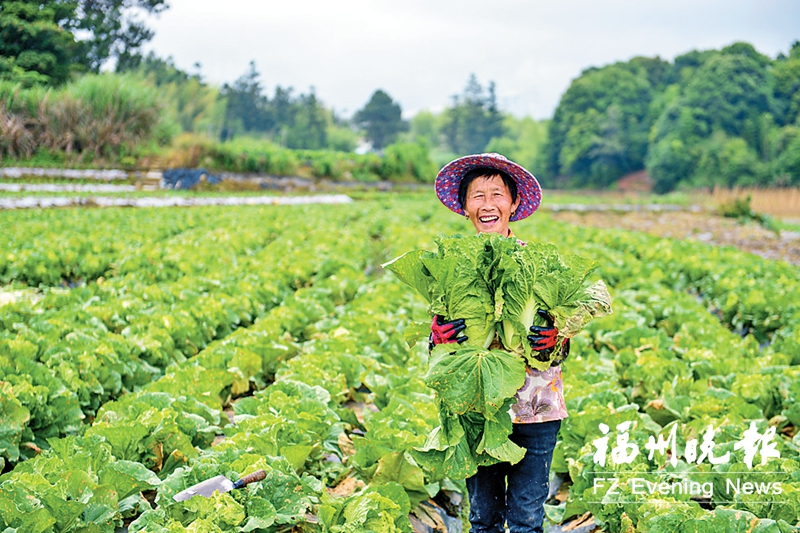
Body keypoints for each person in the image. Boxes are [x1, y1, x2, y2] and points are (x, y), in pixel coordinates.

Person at [429, 153, 569, 533]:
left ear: (514, 203)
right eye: (477, 196)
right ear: (464, 207)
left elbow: (563, 336)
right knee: (484, 519)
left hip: (536, 407)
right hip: (478, 407)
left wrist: (556, 338)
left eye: (496, 194)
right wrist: (436, 337)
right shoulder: (450, 265)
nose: (487, 205)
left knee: (527, 520)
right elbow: (439, 338)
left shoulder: (538, 262)